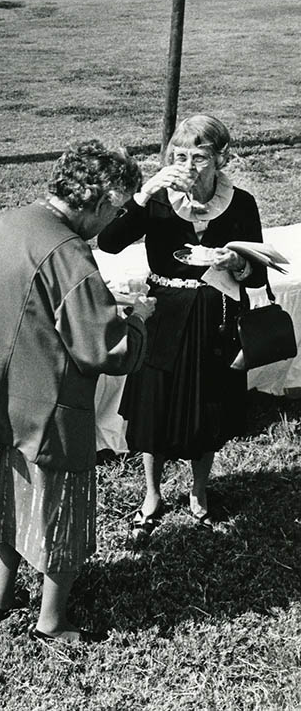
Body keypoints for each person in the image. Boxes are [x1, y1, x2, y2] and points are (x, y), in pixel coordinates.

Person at [0, 140, 155, 643]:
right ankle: (52, 621)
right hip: (48, 412)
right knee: (58, 516)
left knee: (4, 501)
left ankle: (1, 598)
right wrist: (139, 320)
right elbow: (104, 351)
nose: (114, 221)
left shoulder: (9, 222)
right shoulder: (69, 253)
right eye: (118, 207)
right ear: (103, 197)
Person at [97, 114, 267, 542]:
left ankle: (199, 489)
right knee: (154, 405)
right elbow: (109, 242)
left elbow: (260, 276)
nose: (188, 165)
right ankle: (152, 494)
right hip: (164, 313)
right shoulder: (158, 199)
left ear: (222, 158)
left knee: (207, 404)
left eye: (200, 156)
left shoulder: (241, 203)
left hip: (217, 315)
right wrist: (143, 193)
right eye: (179, 155)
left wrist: (239, 263)